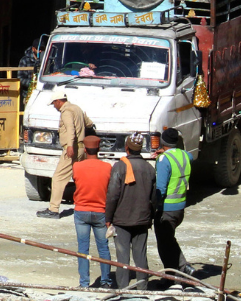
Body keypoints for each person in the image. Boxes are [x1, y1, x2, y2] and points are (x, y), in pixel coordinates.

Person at [106, 133, 156, 290]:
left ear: (126, 147)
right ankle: (143, 288)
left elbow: (112, 195)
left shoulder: (120, 167)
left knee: (122, 257)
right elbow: (154, 197)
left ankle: (123, 289)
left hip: (121, 219)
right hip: (142, 219)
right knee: (140, 255)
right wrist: (150, 217)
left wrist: (108, 217)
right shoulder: (149, 168)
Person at [38, 89, 94, 219]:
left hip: (72, 149)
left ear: (58, 101)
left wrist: (69, 146)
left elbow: (70, 129)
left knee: (58, 178)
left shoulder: (66, 112)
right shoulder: (77, 108)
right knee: (80, 178)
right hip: (81, 148)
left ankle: (53, 209)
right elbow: (89, 123)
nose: (54, 107)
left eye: (54, 103)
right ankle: (86, 205)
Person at [72, 135, 114, 288]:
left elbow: (75, 180)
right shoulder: (107, 167)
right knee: (103, 247)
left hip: (81, 210)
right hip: (101, 212)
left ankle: (84, 283)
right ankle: (106, 281)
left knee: (83, 248)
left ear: (84, 149)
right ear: (99, 149)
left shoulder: (77, 166)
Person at [153, 128, 194, 276]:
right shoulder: (185, 156)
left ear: (162, 142)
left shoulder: (164, 161)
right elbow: (189, 156)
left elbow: (161, 189)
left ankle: (181, 269)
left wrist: (154, 207)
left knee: (165, 244)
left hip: (166, 209)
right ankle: (175, 275)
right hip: (180, 207)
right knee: (168, 240)